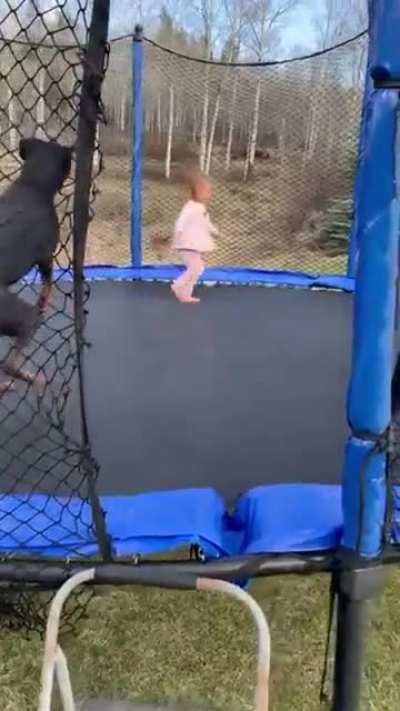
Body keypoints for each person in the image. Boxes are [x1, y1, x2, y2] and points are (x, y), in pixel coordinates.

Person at [170, 170, 219, 303]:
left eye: (209, 191)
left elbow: (206, 222)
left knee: (197, 269)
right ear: (196, 191)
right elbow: (180, 221)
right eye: (206, 190)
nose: (209, 194)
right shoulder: (190, 206)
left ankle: (185, 294)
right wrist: (178, 235)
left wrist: (214, 231)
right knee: (196, 268)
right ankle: (178, 285)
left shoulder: (201, 207)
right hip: (186, 243)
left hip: (194, 243)